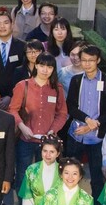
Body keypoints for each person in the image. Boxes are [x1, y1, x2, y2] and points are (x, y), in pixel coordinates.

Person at [66, 44, 106, 205]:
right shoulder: (76, 80)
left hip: (98, 138)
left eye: (91, 60)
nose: (87, 64)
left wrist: (93, 125)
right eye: (84, 60)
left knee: (97, 177)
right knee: (70, 172)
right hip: (76, 134)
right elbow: (70, 106)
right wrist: (87, 120)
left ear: (98, 60)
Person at [9, 53, 68, 195]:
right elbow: (13, 110)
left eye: (49, 67)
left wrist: (52, 131)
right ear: (36, 66)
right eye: (42, 66)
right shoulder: (23, 85)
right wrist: (23, 127)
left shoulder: (57, 88)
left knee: (47, 178)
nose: (45, 70)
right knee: (23, 177)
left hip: (48, 142)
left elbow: (62, 113)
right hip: (26, 140)